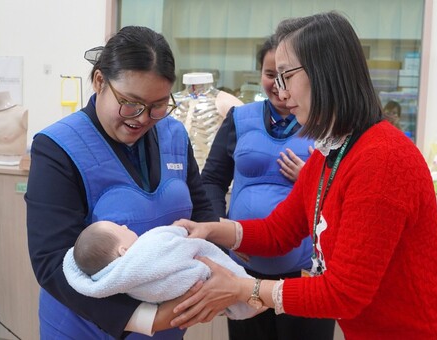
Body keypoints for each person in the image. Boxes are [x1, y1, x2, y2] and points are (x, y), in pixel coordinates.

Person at [171, 12, 437, 339]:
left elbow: (345, 294)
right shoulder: (330, 153)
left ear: (324, 72)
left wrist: (245, 289)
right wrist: (214, 229)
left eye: (286, 76)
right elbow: (279, 232)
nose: (282, 93)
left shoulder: (382, 157)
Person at [25, 26, 219, 339]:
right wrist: (146, 319)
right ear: (100, 81)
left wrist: (219, 273)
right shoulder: (58, 147)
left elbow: (201, 210)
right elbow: (51, 262)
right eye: (131, 102)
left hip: (170, 322)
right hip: (87, 326)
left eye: (158, 105)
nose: (142, 117)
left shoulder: (174, 134)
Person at [201, 34, 334, 340]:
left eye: (286, 75)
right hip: (243, 270)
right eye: (270, 74)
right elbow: (211, 180)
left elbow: (345, 196)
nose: (278, 84)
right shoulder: (239, 118)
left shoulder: (327, 124)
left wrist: (311, 180)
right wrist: (224, 237)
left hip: (306, 273)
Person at [63, 221, 259, 320]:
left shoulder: (126, 285)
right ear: (123, 251)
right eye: (119, 228)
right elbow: (173, 240)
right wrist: (179, 231)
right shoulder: (149, 247)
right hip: (205, 274)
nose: (124, 225)